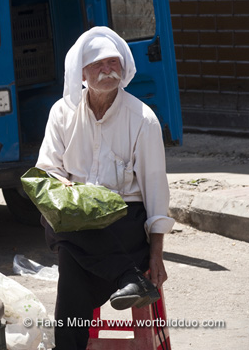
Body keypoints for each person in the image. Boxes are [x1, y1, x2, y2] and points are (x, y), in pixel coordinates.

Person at [36, 26, 175, 349]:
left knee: (72, 260)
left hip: (123, 223)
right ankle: (127, 278)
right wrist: (71, 194)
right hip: (75, 215)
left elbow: (155, 191)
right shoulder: (62, 113)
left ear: (123, 68)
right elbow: (46, 172)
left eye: (113, 63)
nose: (107, 69)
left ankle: (69, 344)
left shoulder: (143, 119)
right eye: (98, 64)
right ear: (82, 72)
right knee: (52, 218)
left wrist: (156, 254)